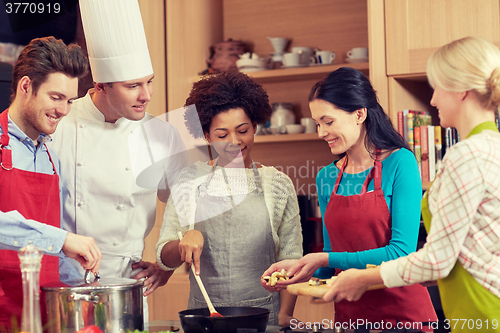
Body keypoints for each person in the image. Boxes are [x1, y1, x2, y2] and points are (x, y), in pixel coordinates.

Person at [322, 36, 500, 332]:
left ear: (461, 90)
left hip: (480, 309)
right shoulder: (492, 147)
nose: (433, 99)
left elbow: (437, 261)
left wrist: (362, 278)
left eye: (437, 87)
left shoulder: (466, 155)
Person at [261, 67, 437, 327]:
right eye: (317, 124)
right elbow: (334, 259)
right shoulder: (326, 177)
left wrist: (323, 258)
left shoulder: (401, 162)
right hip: (351, 319)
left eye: (328, 122)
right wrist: (298, 269)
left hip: (402, 318)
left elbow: (401, 253)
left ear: (359, 114)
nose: (321, 132)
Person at [48, 0, 188, 320]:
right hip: (67, 283)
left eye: (148, 81)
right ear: (101, 85)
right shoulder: (59, 127)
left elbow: (185, 206)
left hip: (130, 287)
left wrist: (166, 266)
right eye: (133, 85)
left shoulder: (161, 134)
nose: (146, 95)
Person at [156, 70, 303, 326]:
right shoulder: (189, 181)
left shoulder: (278, 185)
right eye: (222, 135)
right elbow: (163, 256)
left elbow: (292, 260)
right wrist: (183, 243)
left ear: (255, 126)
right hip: (204, 318)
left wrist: (284, 316)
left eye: (243, 130)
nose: (234, 142)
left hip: (263, 319)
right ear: (207, 136)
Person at [0, 36, 101, 330]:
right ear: (26, 87)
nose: (64, 110)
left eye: (70, 101)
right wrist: (62, 240)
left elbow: (51, 246)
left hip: (41, 311)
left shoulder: (50, 158)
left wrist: (82, 284)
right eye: (56, 98)